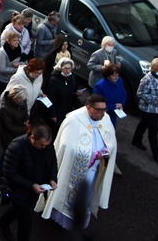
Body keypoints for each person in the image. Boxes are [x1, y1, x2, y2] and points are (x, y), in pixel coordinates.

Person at [41, 95, 116, 230]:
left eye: (104, 110)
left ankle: (79, 222)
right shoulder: (73, 120)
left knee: (86, 198)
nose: (102, 114)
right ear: (88, 108)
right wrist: (91, 155)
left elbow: (111, 141)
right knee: (68, 195)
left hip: (95, 170)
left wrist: (106, 151)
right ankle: (60, 219)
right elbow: (67, 147)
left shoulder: (105, 118)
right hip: (75, 169)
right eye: (99, 110)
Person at [0, 125, 58, 241]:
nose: (44, 148)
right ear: (32, 138)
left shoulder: (47, 144)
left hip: (35, 191)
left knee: (17, 210)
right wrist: (31, 185)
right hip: (20, 192)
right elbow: (9, 173)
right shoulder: (16, 147)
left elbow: (52, 161)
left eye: (47, 145)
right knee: (25, 225)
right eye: (41, 145)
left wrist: (53, 178)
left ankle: (2, 223)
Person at [132, 57, 158, 163]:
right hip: (148, 108)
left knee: (143, 123)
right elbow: (140, 93)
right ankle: (156, 153)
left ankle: (136, 140)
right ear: (155, 68)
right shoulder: (147, 79)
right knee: (153, 130)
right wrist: (156, 99)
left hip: (157, 107)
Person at [0, 84, 29, 176]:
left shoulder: (22, 102)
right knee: (8, 151)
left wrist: (26, 120)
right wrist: (25, 127)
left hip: (18, 132)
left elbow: (25, 112)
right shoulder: (5, 109)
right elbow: (9, 127)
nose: (22, 101)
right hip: (8, 136)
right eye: (20, 100)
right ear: (14, 98)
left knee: (8, 152)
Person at [46, 58, 81, 137]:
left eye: (69, 68)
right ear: (60, 68)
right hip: (58, 110)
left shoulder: (73, 77)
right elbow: (50, 98)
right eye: (65, 68)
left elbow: (74, 90)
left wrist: (77, 92)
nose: (67, 70)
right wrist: (52, 114)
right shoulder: (54, 80)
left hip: (68, 108)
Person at [93, 64, 127, 131]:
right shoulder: (100, 86)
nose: (116, 77)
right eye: (114, 75)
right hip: (103, 114)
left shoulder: (120, 81)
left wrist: (121, 104)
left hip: (113, 114)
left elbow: (124, 93)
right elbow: (97, 104)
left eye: (117, 75)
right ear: (108, 76)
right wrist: (114, 106)